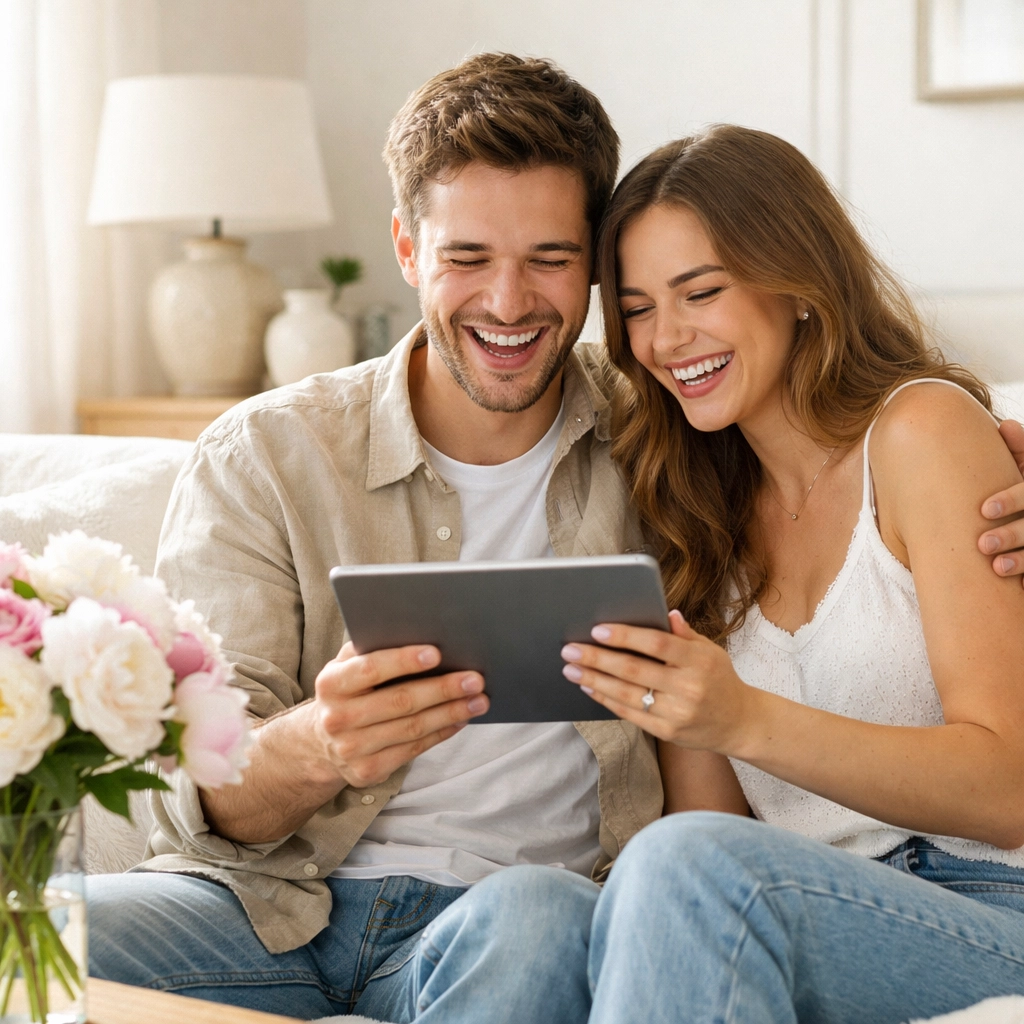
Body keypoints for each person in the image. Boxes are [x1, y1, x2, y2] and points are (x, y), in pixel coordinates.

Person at [87, 57, 1024, 1022]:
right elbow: (188, 782)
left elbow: (966, 776)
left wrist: (735, 716)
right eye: (643, 310)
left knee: (593, 896)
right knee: (42, 929)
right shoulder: (681, 471)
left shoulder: (722, 440)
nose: (507, 301)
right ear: (407, 248)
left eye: (550, 259)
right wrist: (322, 744)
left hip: (611, 908)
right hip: (280, 904)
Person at [554, 125, 1024, 1022]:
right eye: (640, 307)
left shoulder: (922, 433)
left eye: (701, 292)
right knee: (609, 890)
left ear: (796, 285)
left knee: (683, 867)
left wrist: (743, 717)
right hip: (799, 913)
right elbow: (709, 837)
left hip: (990, 906)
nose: (667, 338)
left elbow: (1010, 790)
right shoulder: (695, 513)